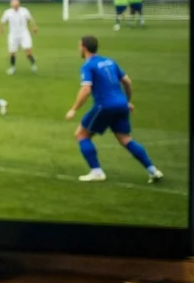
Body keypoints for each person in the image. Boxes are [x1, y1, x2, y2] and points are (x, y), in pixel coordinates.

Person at [65, 35, 162, 184]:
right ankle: (152, 170)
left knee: (81, 135)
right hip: (121, 105)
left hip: (104, 106)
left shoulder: (88, 66)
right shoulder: (109, 61)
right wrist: (127, 101)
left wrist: (73, 109)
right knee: (125, 139)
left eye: (79, 46)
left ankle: (96, 171)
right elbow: (127, 81)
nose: (78, 48)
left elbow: (86, 89)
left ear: (84, 48)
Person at [0, 0, 39, 74]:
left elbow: (30, 19)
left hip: (24, 33)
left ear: (19, 4)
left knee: (28, 51)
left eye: (16, 4)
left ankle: (33, 64)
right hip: (13, 35)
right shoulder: (8, 12)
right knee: (12, 52)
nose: (15, 6)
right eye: (14, 4)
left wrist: (34, 27)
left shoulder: (24, 11)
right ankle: (12, 67)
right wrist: (2, 29)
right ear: (11, 4)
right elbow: (2, 21)